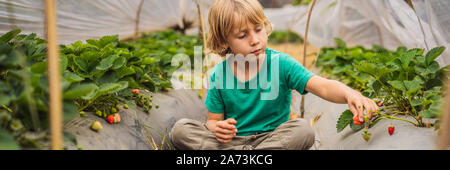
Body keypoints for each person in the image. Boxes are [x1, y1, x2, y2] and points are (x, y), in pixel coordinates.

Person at [170, 0, 378, 150]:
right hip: (231, 143)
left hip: (272, 139)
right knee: (181, 130)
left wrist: (350, 94)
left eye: (258, 29)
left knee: (302, 130)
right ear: (225, 42)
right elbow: (213, 121)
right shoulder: (218, 76)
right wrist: (218, 129)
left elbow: (321, 85)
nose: (255, 40)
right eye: (243, 35)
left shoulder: (281, 64)